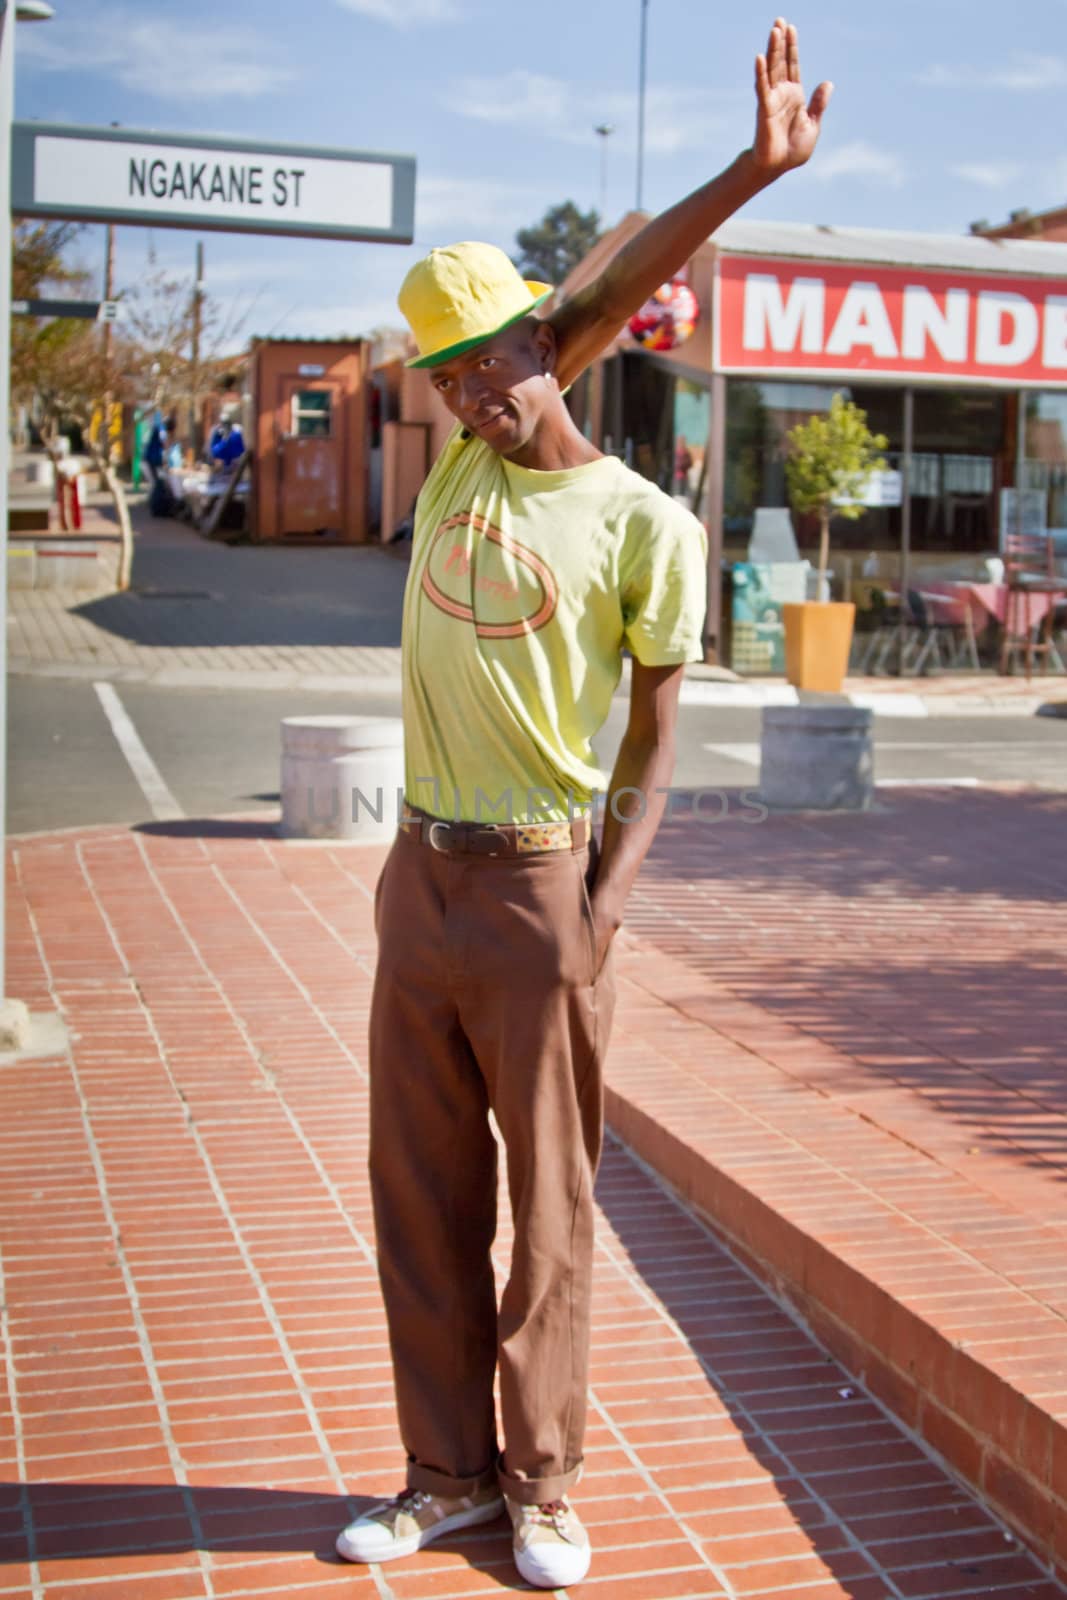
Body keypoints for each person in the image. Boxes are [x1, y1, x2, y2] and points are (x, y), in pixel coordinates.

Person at [336, 19, 830, 1590]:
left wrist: (605, 909)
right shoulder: (455, 473)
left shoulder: (635, 522)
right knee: (420, 1197)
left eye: (487, 364)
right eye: (447, 376)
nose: (469, 397)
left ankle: (545, 1484)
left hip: (546, 891)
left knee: (548, 1217)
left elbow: (657, 739)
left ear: (542, 348)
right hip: (420, 880)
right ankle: (445, 1475)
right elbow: (554, 326)